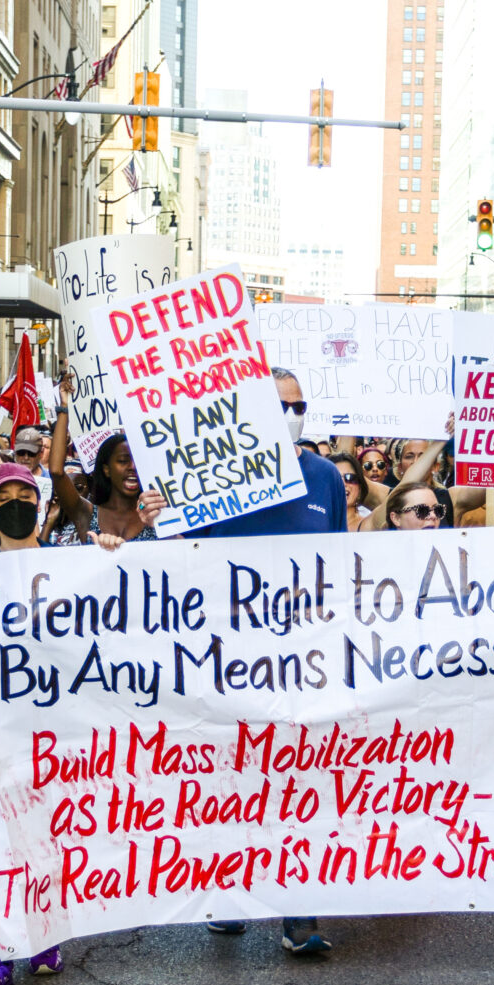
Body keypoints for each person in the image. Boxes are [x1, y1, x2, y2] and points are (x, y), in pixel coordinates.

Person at [0, 463, 133, 985]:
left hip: (58, 730)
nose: (13, 503)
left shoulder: (71, 564)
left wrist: (108, 557)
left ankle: (43, 932)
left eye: (23, 494)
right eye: (1, 496)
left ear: (43, 504)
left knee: (49, 835)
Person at [185, 366, 350, 952]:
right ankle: (227, 896)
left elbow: (339, 566)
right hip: (228, 656)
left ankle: (297, 910)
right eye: (280, 404)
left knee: (301, 784)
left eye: (300, 404)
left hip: (301, 661)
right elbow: (178, 565)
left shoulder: (325, 476)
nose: (292, 414)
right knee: (231, 779)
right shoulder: (209, 477)